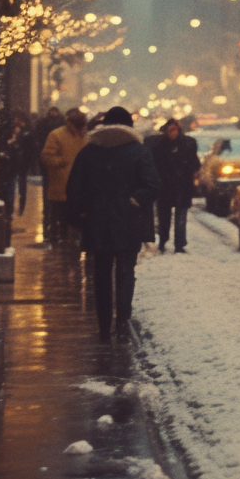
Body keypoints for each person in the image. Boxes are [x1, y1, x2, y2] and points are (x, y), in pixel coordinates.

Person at [67, 105, 160, 341]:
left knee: (101, 273)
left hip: (97, 221)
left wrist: (84, 212)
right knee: (126, 271)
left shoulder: (89, 151)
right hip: (129, 220)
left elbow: (74, 188)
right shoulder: (138, 151)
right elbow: (152, 186)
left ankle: (103, 324)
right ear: (129, 126)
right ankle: (122, 321)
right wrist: (134, 200)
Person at [149, 117, 200, 252]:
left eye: (174, 130)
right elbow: (154, 164)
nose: (172, 132)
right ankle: (163, 241)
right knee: (164, 217)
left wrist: (188, 173)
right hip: (165, 187)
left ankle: (179, 244)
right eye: (170, 130)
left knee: (181, 217)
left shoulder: (187, 144)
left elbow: (194, 163)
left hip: (182, 186)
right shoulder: (158, 145)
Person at [40, 108, 87, 243]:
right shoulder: (56, 135)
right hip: (61, 182)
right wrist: (61, 163)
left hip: (79, 184)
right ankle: (59, 236)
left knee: (75, 214)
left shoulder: (86, 137)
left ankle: (71, 237)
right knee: (59, 211)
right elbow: (46, 156)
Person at [33, 105, 64, 237]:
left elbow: (38, 140)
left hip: (50, 161)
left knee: (49, 187)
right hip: (55, 163)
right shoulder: (60, 124)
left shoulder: (44, 123)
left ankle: (50, 212)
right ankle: (53, 213)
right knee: (52, 187)